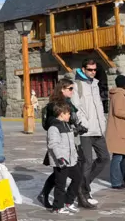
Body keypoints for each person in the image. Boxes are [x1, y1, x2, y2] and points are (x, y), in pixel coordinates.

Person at [38, 78, 89, 209]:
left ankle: (72, 197)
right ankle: (57, 197)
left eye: (73, 88)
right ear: (62, 89)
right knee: (62, 172)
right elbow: (53, 124)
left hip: (72, 140)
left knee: (71, 170)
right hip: (62, 143)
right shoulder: (54, 105)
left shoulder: (68, 102)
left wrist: (77, 127)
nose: (72, 91)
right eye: (70, 88)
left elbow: (72, 120)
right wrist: (69, 127)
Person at [72, 59, 107, 206]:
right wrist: (83, 123)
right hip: (85, 131)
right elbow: (75, 107)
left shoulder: (95, 84)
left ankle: (82, 186)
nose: (93, 72)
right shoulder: (77, 85)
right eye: (90, 69)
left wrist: (103, 123)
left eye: (94, 70)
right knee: (86, 162)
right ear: (83, 69)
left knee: (104, 158)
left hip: (98, 129)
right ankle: (82, 193)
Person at [46, 102, 81, 215]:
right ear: (61, 114)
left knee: (78, 178)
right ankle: (57, 207)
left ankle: (68, 202)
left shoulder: (67, 125)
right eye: (67, 114)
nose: (69, 116)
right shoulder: (54, 127)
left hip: (71, 160)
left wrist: (77, 131)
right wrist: (60, 158)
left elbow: (71, 143)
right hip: (61, 161)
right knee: (60, 184)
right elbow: (53, 144)